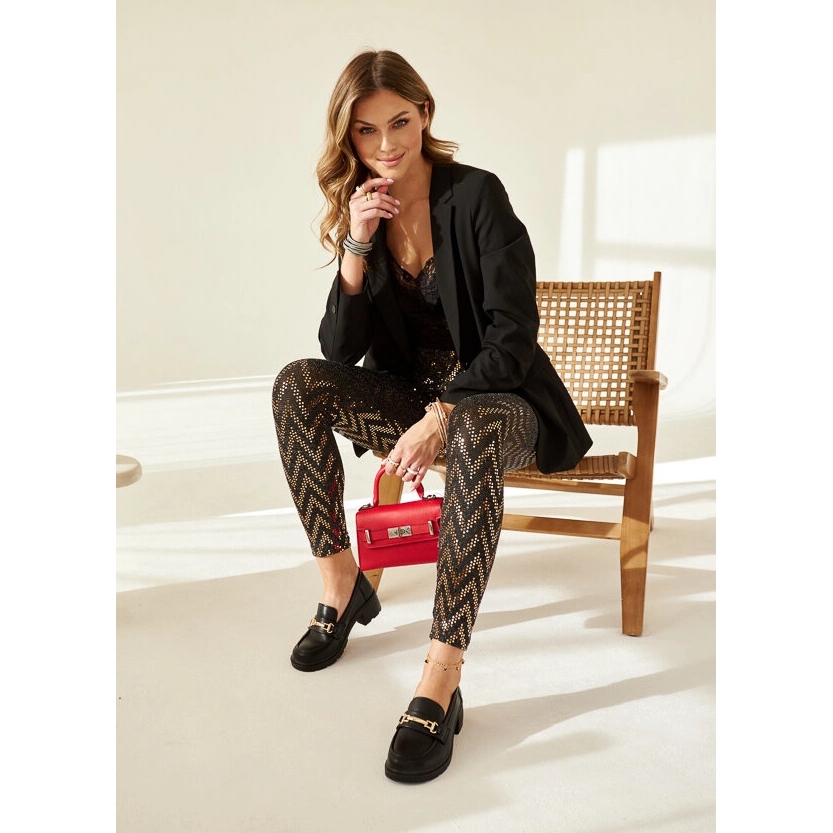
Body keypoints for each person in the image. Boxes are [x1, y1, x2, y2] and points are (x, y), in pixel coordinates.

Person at [272, 49, 592, 783]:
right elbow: (338, 351)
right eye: (365, 131)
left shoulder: (476, 196)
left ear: (425, 114)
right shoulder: (366, 209)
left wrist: (443, 413)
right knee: (297, 384)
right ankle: (340, 584)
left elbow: (513, 336)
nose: (385, 144)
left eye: (399, 122)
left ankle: (440, 677)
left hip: (499, 401)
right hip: (410, 399)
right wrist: (356, 243)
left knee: (472, 425)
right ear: (347, 137)